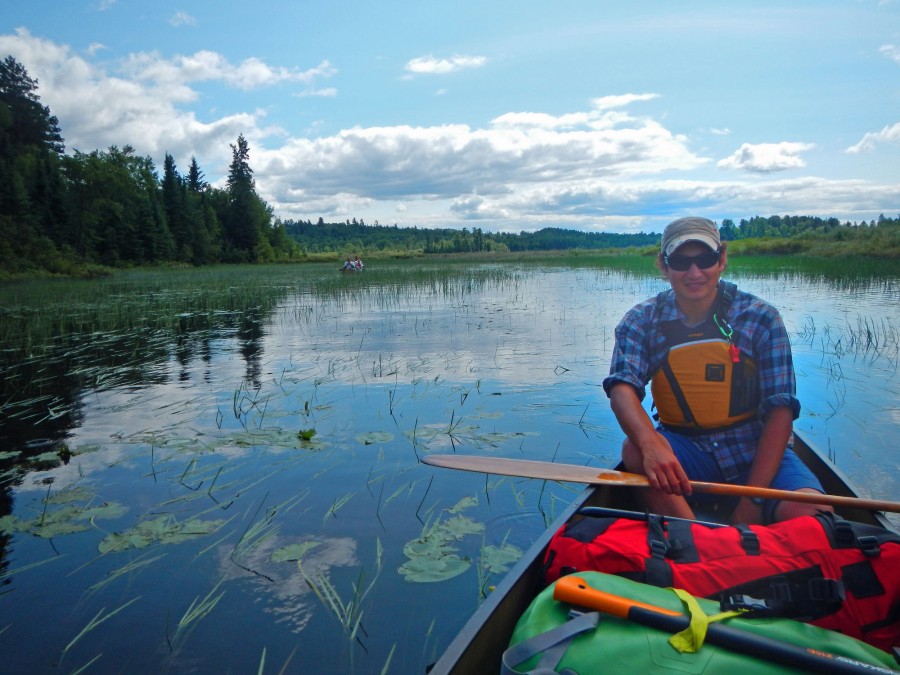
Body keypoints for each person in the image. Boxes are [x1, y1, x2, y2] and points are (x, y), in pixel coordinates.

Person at [602, 217, 831, 525]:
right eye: (681, 262)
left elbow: (781, 409)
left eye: (705, 259)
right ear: (664, 266)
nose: (694, 273)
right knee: (636, 450)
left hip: (755, 452)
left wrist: (753, 498)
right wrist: (650, 443)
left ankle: (721, 537)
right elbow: (622, 388)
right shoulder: (641, 320)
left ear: (721, 260)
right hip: (686, 454)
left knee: (815, 516)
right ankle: (697, 540)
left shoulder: (760, 318)